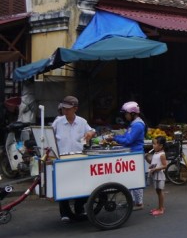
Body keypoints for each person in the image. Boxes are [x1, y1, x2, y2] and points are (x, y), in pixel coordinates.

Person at [52, 95, 97, 223]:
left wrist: (90, 133)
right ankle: (65, 213)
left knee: (82, 185)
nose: (65, 111)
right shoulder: (58, 122)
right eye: (64, 109)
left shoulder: (82, 122)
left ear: (75, 109)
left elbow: (91, 131)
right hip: (62, 159)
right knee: (63, 187)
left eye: (68, 109)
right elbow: (49, 137)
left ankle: (79, 208)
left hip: (78, 159)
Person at [107, 101, 146, 210]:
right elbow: (126, 137)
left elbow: (128, 140)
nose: (125, 116)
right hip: (131, 154)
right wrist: (116, 137)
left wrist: (114, 138)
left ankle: (139, 203)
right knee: (130, 179)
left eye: (126, 114)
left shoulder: (138, 125)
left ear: (132, 113)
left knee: (136, 179)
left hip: (136, 154)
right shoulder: (133, 124)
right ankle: (131, 201)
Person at [147, 135, 167, 216]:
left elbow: (165, 165)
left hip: (160, 175)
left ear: (161, 146)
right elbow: (152, 163)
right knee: (157, 191)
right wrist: (146, 157)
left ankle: (161, 208)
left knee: (160, 191)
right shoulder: (155, 153)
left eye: (155, 144)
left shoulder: (162, 154)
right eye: (153, 144)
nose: (153, 146)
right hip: (155, 174)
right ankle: (159, 207)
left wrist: (155, 169)